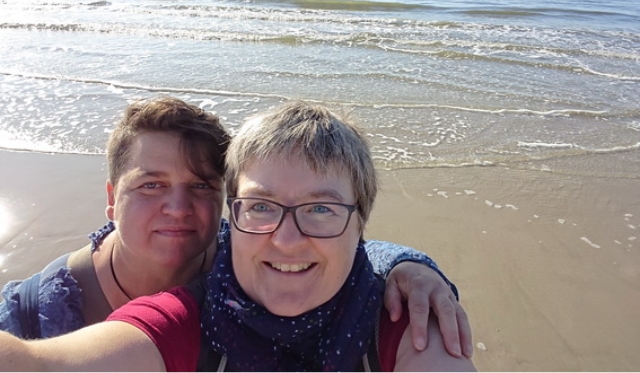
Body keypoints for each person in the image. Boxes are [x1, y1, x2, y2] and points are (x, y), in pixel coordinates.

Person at [0, 101, 476, 371]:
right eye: (151, 185)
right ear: (111, 197)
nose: (285, 240)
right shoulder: (32, 309)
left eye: (320, 209)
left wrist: (410, 265)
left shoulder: (400, 315)